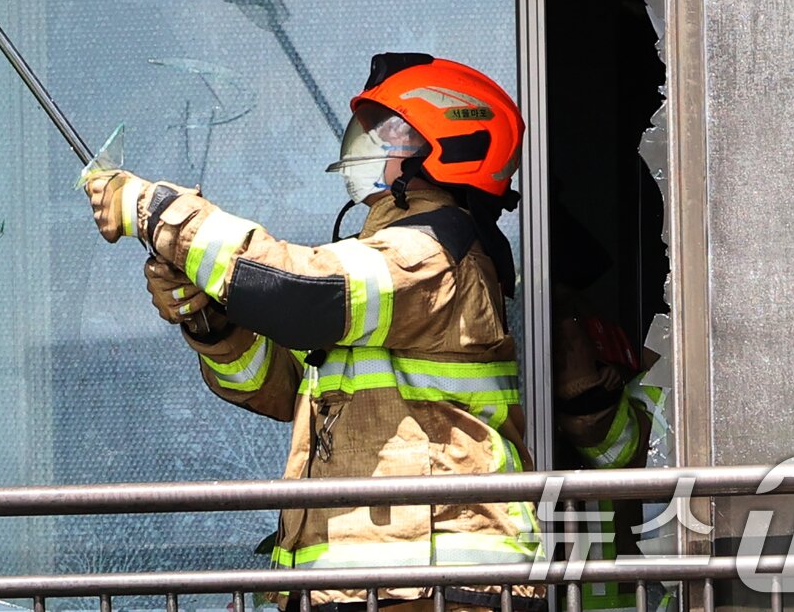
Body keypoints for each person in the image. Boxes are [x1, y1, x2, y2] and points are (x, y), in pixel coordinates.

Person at [86, 53, 544, 612]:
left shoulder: (432, 253)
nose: (368, 144)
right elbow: (277, 387)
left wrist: (158, 211)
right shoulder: (391, 256)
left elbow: (299, 292)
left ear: (450, 146)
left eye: (391, 132)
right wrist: (213, 323)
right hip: (375, 589)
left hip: (435, 587)